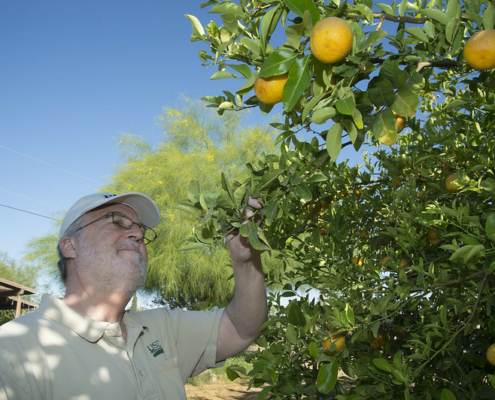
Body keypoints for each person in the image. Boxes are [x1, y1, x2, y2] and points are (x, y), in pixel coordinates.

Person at [0, 192, 267, 399]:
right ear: (70, 246)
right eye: (117, 222)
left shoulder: (162, 328)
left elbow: (241, 329)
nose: (138, 233)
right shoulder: (13, 350)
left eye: (141, 229)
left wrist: (246, 260)